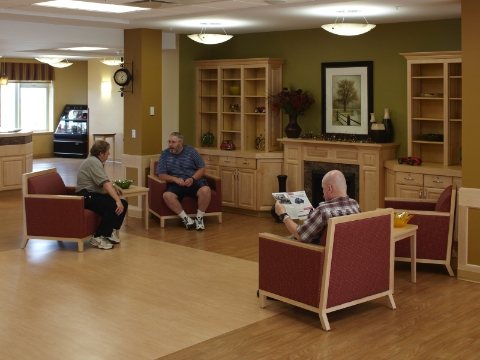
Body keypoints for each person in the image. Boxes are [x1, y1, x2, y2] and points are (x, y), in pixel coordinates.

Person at [275, 170, 360, 244]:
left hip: (315, 254)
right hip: (342, 253)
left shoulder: (323, 211)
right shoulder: (355, 205)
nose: (323, 193)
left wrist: (283, 214)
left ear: (329, 189)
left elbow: (300, 236)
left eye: (323, 188)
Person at [76, 140, 128, 250]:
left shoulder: (96, 161)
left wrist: (114, 185)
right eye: (108, 151)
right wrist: (117, 200)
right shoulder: (93, 162)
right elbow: (105, 185)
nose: (109, 153)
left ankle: (110, 232)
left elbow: (104, 180)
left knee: (124, 203)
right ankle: (98, 236)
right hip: (86, 197)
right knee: (114, 205)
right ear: (101, 153)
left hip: (94, 194)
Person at [156, 132, 211, 230]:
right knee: (167, 196)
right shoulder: (165, 154)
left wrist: (192, 179)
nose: (170, 145)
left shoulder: (191, 151)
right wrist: (174, 179)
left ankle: (199, 218)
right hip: (176, 184)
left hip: (193, 181)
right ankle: (186, 219)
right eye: (169, 142)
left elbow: (202, 168)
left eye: (173, 142)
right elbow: (161, 175)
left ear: (181, 143)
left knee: (206, 190)